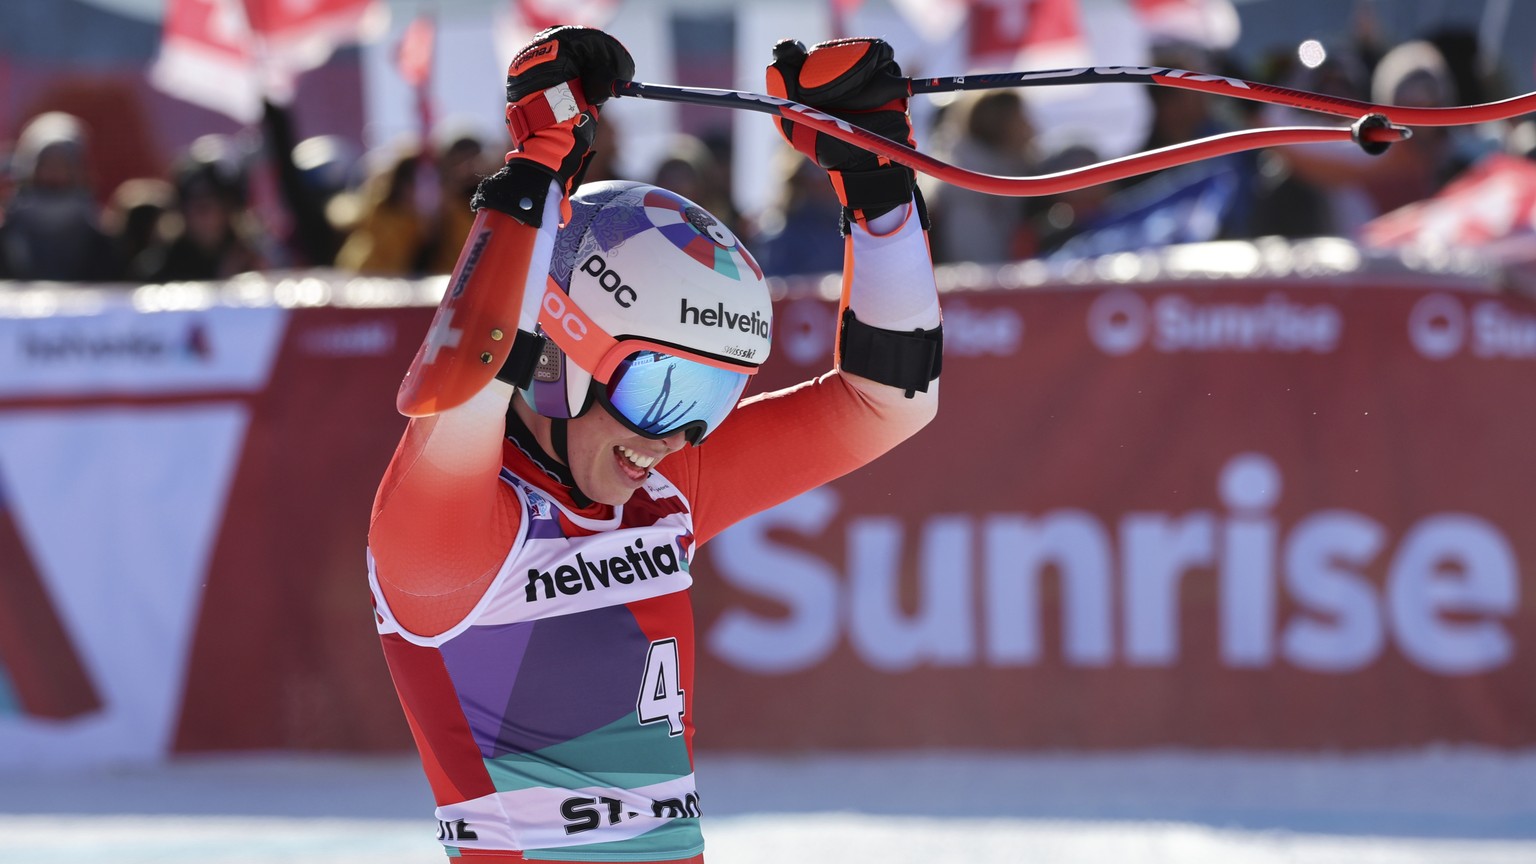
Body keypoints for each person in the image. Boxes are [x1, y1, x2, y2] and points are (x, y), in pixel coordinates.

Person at [367, 26, 942, 863]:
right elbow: (462, 377)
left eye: (710, 398)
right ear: (561, 353)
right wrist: (538, 162)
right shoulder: (447, 537)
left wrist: (877, 184)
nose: (672, 438)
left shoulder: (661, 490)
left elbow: (891, 398)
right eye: (661, 388)